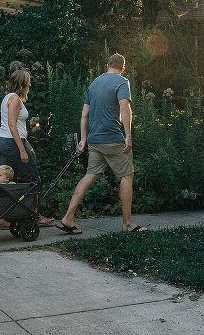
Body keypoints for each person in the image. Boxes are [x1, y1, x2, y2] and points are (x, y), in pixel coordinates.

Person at [57, 53, 147, 235]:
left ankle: (68, 218)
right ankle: (128, 224)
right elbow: (124, 107)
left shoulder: (94, 83)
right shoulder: (122, 82)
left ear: (107, 65)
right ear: (123, 67)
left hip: (94, 141)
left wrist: (83, 139)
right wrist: (128, 135)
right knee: (126, 175)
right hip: (113, 139)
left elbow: (84, 114)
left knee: (91, 175)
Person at [0, 69, 56, 227]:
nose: (30, 83)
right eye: (28, 80)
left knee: (4, 181)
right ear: (22, 83)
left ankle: (2, 219)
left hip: (4, 142)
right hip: (12, 143)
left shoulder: (7, 97)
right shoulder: (15, 99)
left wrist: (28, 145)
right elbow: (12, 124)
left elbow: (19, 127)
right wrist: (23, 150)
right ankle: (34, 215)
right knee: (33, 179)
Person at [0, 165, 15, 231]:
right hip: (1, 206)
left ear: (7, 179)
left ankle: (0, 222)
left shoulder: (10, 186)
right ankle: (0, 222)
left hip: (5, 206)